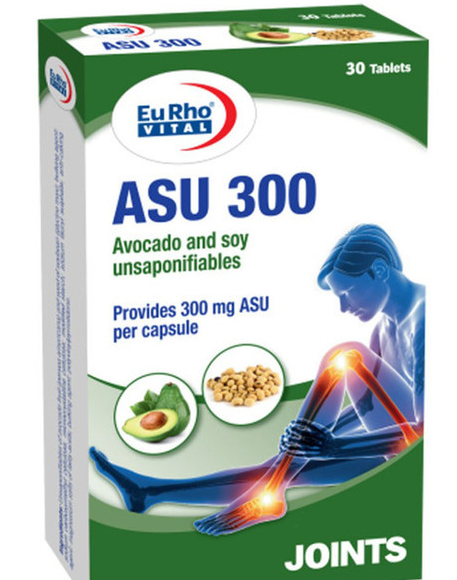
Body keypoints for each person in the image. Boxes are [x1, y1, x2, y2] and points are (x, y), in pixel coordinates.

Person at [90, 224, 424, 534]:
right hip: (392, 449)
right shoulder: (383, 329)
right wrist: (313, 436)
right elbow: (371, 407)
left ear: (379, 270)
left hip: (422, 463)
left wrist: (333, 445)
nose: (343, 307)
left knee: (347, 355)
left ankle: (270, 492)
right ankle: (149, 491)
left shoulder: (425, 319)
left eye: (347, 292)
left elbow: (424, 434)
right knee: (287, 465)